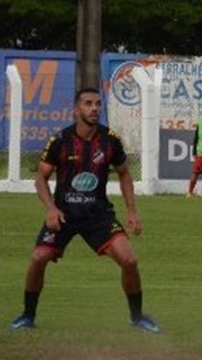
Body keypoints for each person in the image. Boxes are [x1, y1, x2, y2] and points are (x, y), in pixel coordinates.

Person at [9, 88, 159, 333]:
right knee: (38, 258)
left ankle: (137, 317)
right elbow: (40, 178)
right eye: (88, 104)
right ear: (76, 110)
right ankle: (27, 316)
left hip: (97, 215)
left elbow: (124, 174)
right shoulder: (60, 140)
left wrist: (132, 212)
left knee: (129, 260)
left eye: (98, 104)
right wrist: (50, 208)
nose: (94, 108)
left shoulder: (110, 140)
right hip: (64, 214)